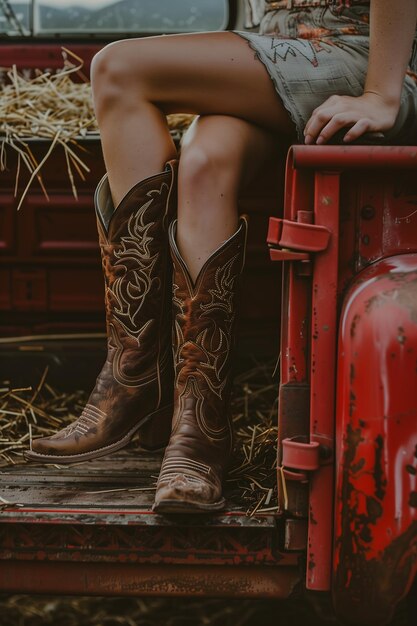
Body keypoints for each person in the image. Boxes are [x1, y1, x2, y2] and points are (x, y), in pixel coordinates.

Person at [26, 0, 417, 513]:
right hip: (281, 52)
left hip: (363, 54)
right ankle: (197, 426)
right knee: (203, 163)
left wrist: (380, 94)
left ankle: (134, 379)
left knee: (116, 69)